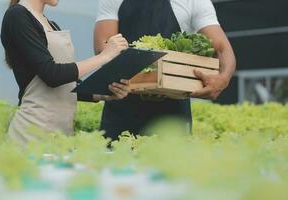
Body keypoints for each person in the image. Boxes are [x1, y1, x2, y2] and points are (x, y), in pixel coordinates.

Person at [94, 0, 236, 140]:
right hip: (121, 101)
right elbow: (104, 47)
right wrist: (145, 81)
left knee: (172, 161)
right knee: (117, 160)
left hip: (174, 106)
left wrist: (223, 78)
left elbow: (222, 48)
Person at [1, 0, 130, 147]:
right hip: (31, 135)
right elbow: (52, 74)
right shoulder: (17, 15)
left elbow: (67, 85)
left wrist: (103, 94)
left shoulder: (51, 24)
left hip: (61, 136)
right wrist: (103, 56)